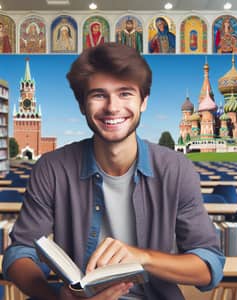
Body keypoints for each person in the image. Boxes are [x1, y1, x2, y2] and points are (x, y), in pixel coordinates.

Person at [3, 42, 225, 300]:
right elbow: (19, 252)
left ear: (143, 101)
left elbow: (209, 264)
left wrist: (142, 257)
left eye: (125, 93)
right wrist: (54, 298)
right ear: (81, 104)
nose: (112, 107)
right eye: (99, 94)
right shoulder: (51, 168)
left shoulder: (177, 168)